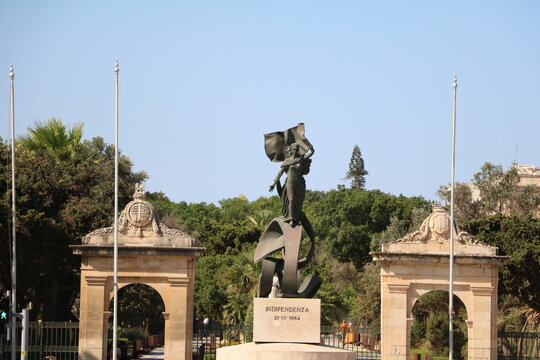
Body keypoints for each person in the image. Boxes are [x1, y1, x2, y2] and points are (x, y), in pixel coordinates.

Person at [269, 143, 315, 225]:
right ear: (291, 150)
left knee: (298, 202)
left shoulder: (301, 158)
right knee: (291, 199)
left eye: (296, 149)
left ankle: (296, 217)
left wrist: (308, 143)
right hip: (290, 181)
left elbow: (311, 152)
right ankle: (291, 219)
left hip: (300, 183)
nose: (295, 151)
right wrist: (274, 183)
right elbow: (281, 172)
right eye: (293, 149)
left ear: (298, 150)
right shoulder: (287, 161)